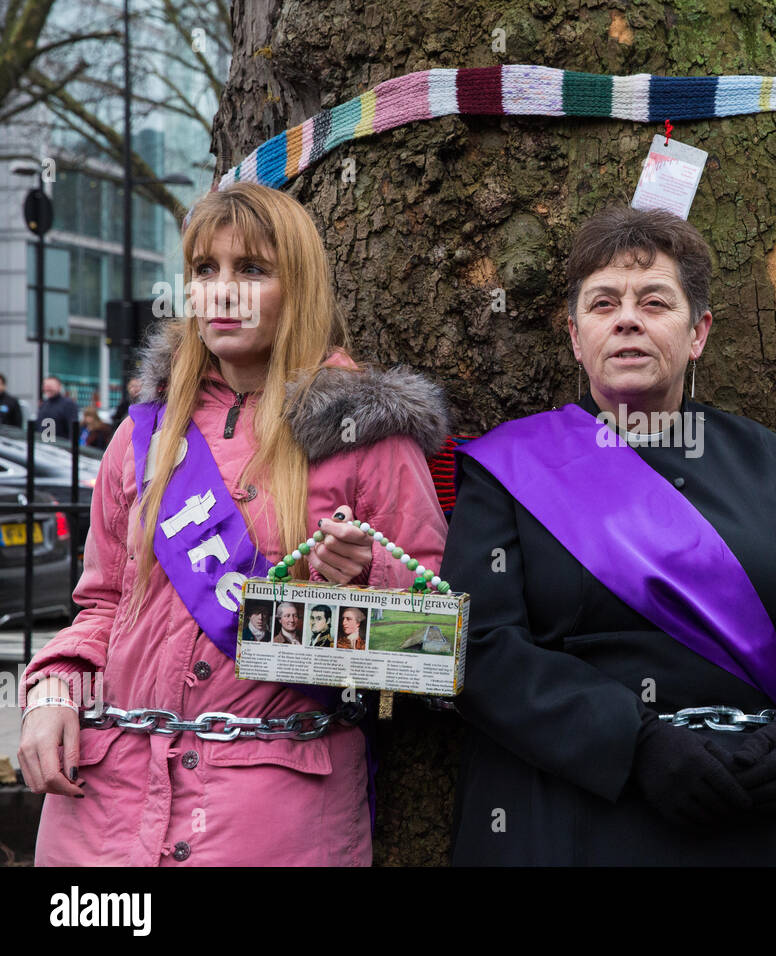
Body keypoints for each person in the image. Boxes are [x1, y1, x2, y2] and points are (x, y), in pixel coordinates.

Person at [440, 206, 776, 866]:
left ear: (698, 331)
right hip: (580, 805)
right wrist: (633, 744)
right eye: (603, 304)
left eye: (655, 302)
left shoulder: (765, 460)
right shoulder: (510, 469)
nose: (627, 319)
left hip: (757, 800)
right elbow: (478, 645)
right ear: (574, 336)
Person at [18, 182, 451, 866]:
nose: (223, 291)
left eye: (251, 269)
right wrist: (49, 692)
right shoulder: (143, 438)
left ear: (299, 286)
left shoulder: (369, 438)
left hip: (277, 817)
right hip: (104, 809)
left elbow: (425, 645)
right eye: (204, 271)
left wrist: (368, 576)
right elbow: (101, 606)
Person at [37, 376, 79, 441]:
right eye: (46, 387)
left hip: (60, 446)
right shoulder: (44, 404)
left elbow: (73, 430)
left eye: (50, 387)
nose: (48, 389)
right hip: (44, 446)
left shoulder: (68, 404)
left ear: (59, 387)